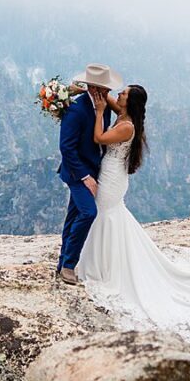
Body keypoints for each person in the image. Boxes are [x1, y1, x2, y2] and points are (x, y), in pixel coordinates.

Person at [75, 83, 190, 337]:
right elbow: (107, 99)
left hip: (113, 177)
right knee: (109, 216)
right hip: (110, 172)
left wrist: (101, 109)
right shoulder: (124, 115)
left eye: (123, 94)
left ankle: (103, 265)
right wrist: (93, 89)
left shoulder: (125, 125)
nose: (119, 95)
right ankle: (102, 260)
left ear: (130, 102)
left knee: (105, 215)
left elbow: (99, 138)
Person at [55, 63, 119, 285]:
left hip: (94, 168)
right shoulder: (75, 111)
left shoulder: (105, 107)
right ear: (95, 88)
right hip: (77, 173)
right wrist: (85, 177)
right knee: (88, 213)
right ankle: (69, 265)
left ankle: (62, 263)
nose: (109, 92)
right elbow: (66, 148)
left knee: (73, 216)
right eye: (105, 88)